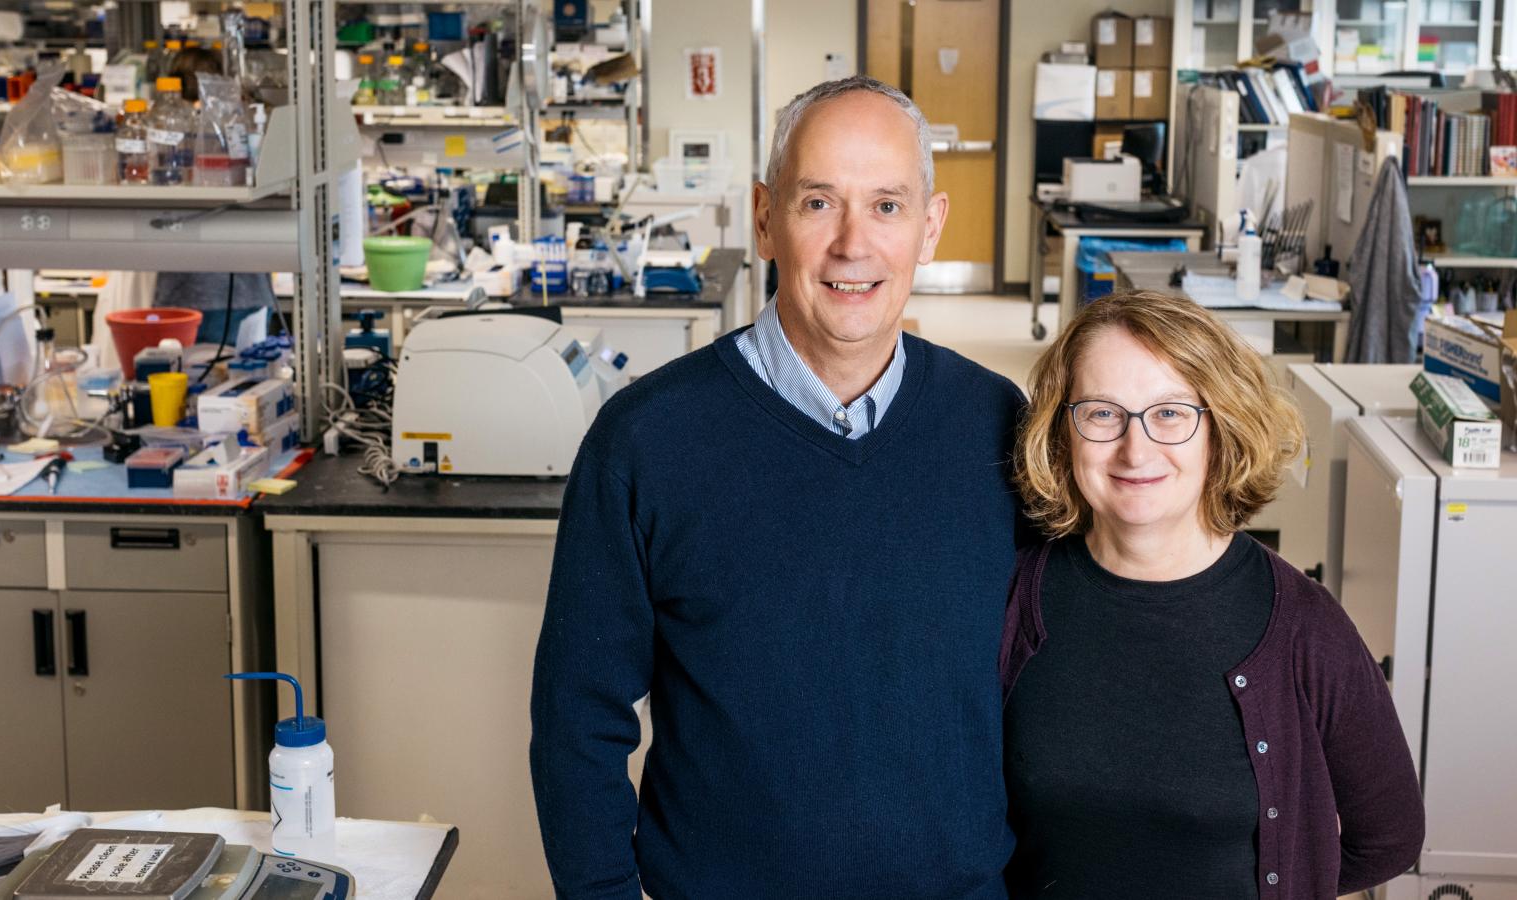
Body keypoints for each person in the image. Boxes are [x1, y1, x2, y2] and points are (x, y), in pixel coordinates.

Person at [530, 76, 1025, 899]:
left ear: (931, 228)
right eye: (819, 203)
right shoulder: (647, 441)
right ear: (765, 218)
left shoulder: (998, 428)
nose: (854, 245)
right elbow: (577, 721)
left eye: (889, 207)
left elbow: (1049, 703)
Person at [1001, 290, 1425, 898]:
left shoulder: (1305, 626)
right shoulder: (1016, 599)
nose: (1135, 449)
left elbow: (1390, 835)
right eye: (1101, 413)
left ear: (1219, 430)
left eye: (1171, 413)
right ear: (1062, 430)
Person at [153, 46, 276, 346]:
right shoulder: (238, 127)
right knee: (246, 382)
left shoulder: (164, 133)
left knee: (181, 382)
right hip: (245, 290)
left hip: (183, 294)